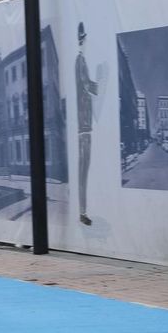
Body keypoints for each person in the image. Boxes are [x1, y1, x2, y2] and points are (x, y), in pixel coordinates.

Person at [74, 21, 101, 226]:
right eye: (86, 40)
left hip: (85, 125)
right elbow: (85, 84)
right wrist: (99, 85)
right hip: (83, 125)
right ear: (82, 41)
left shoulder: (81, 61)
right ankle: (82, 212)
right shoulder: (80, 61)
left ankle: (83, 211)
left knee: (85, 168)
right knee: (83, 169)